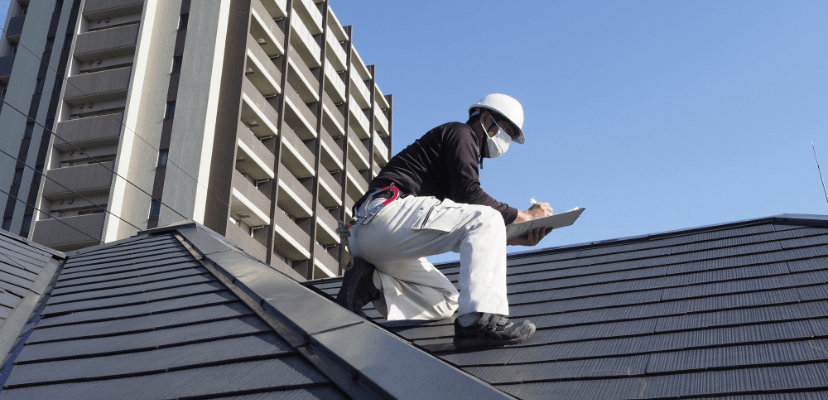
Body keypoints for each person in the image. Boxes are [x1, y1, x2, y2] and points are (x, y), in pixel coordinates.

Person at [336, 94, 554, 348]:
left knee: (447, 300)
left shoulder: (458, 147)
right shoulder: (462, 133)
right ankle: (478, 322)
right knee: (487, 217)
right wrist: (526, 216)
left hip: (374, 237)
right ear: (485, 118)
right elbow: (471, 196)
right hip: (385, 215)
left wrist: (510, 237)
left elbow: (462, 220)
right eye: (504, 130)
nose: (505, 140)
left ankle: (368, 283)